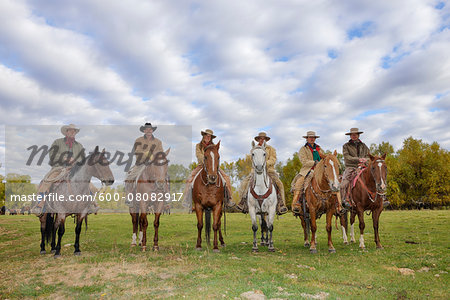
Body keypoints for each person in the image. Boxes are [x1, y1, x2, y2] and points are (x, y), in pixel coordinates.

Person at [32, 124, 95, 216]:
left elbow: (83, 159)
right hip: (58, 168)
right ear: (66, 132)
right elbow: (52, 155)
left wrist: (75, 160)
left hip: (74, 170)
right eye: (70, 130)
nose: (73, 132)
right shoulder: (57, 142)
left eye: (74, 131)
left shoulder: (79, 146)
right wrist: (65, 158)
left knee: (89, 184)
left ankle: (90, 204)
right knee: (47, 182)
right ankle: (40, 205)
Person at [182, 129, 236, 210]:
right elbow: (198, 155)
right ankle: (186, 199)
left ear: (211, 138)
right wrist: (206, 159)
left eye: (209, 136)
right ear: (203, 136)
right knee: (189, 179)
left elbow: (216, 156)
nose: (208, 137)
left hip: (213, 166)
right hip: (201, 165)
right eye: (206, 135)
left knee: (226, 178)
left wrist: (212, 162)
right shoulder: (198, 146)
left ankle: (229, 199)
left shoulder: (214, 146)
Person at [236, 132, 288, 215]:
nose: (262, 140)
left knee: (279, 184)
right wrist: (258, 165)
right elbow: (252, 160)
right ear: (258, 139)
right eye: (260, 138)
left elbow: (273, 160)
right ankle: (243, 202)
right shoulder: (254, 149)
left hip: (269, 170)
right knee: (244, 183)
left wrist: (264, 164)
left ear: (266, 140)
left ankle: (281, 204)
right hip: (255, 171)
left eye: (264, 138)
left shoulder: (271, 149)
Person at [341, 128, 389, 208]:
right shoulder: (346, 146)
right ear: (350, 136)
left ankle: (382, 199)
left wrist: (365, 160)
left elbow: (369, 156)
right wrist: (358, 159)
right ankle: (344, 200)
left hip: (364, 166)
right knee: (343, 184)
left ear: (358, 135)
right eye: (352, 135)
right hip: (351, 167)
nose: (354, 136)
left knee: (378, 176)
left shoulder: (363, 146)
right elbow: (347, 157)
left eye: (355, 134)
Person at [125, 122, 164, 205]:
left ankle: (166, 196)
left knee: (165, 176)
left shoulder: (158, 142)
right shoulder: (138, 140)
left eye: (150, 129)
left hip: (155, 164)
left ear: (152, 130)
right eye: (146, 129)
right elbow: (138, 151)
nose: (148, 131)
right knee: (130, 177)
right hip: (141, 163)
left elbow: (161, 152)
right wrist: (148, 154)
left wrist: (154, 156)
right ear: (144, 131)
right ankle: (129, 196)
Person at [291, 131, 325, 214]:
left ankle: (336, 203)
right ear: (307, 139)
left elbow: (323, 157)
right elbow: (304, 161)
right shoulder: (303, 149)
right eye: (310, 137)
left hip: (319, 171)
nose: (312, 139)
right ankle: (296, 203)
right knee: (300, 183)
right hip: (308, 170)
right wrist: (315, 163)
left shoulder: (319, 148)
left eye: (313, 137)